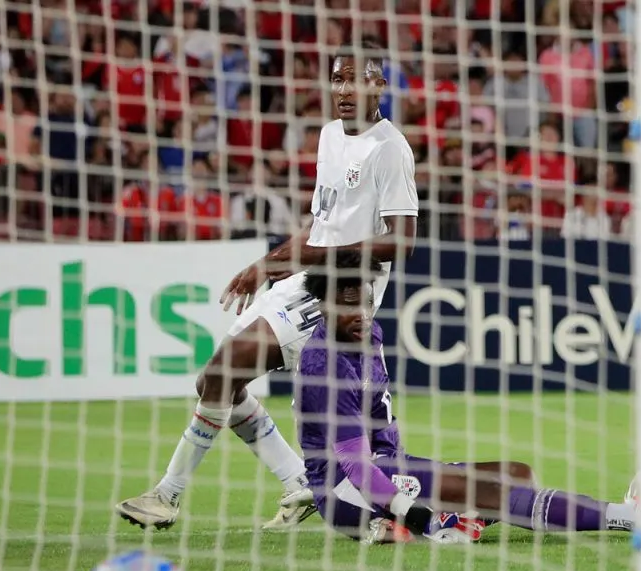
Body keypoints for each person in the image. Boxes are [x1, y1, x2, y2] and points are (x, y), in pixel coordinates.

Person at [115, 41, 419, 531]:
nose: (344, 89)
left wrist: (307, 260)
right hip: (305, 278)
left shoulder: (391, 149)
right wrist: (268, 261)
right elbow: (321, 225)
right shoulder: (328, 137)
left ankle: (166, 497)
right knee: (212, 384)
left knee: (224, 371)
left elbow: (402, 242)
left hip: (340, 292)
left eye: (357, 79)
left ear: (379, 85)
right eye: (338, 79)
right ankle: (297, 478)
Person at [295, 255, 638, 543]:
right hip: (346, 489)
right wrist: (411, 510)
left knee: (519, 474)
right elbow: (356, 465)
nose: (363, 315)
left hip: (386, 463)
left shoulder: (370, 333)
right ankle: (623, 516)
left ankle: (450, 526)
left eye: (368, 304)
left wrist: (407, 470)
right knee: (488, 493)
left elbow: (380, 419)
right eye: (349, 307)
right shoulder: (324, 365)